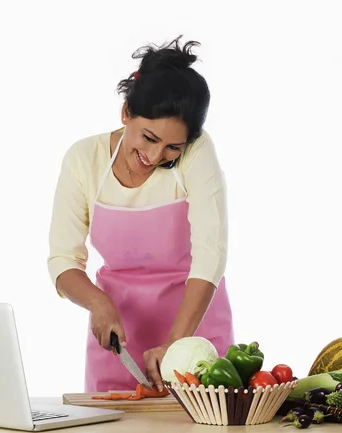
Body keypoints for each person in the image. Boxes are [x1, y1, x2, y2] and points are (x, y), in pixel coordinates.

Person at [47, 36, 235, 393]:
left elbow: (211, 253)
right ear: (126, 113)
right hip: (118, 344)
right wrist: (98, 303)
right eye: (148, 137)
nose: (155, 154)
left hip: (194, 341)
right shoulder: (83, 160)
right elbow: (62, 260)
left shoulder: (198, 153)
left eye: (172, 148)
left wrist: (177, 346)